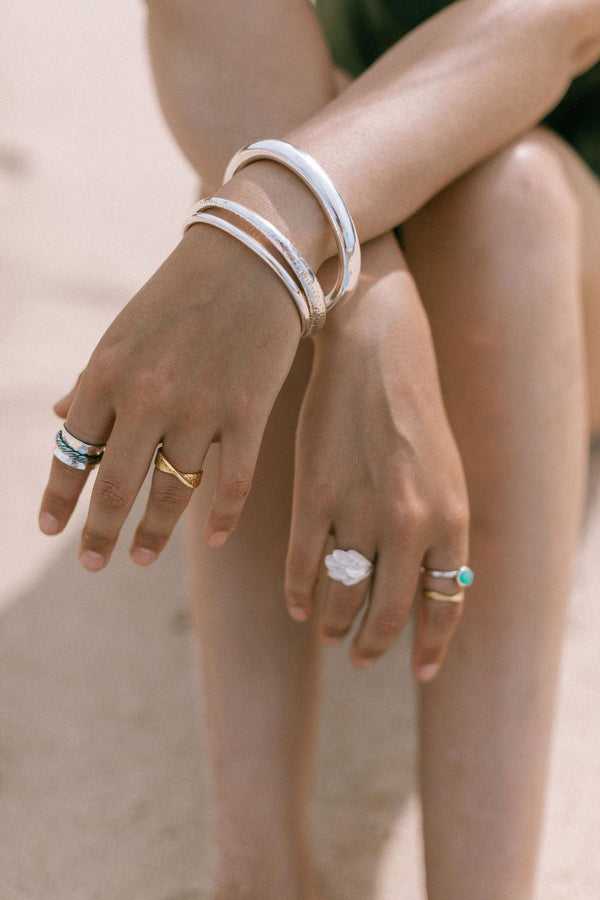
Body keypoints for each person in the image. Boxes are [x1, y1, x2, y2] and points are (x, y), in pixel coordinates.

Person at [38, 1, 600, 897]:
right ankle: (259, 872)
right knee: (259, 211)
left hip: (567, 230)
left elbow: (549, 24)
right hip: (345, 148)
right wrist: (363, 295)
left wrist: (290, 241)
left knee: (507, 198)